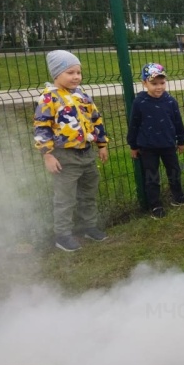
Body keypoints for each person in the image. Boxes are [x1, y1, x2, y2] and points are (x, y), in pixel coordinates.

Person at [33, 50, 109, 252]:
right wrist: (47, 154)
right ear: (56, 74)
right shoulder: (49, 98)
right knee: (65, 197)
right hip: (64, 156)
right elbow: (42, 127)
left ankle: (88, 226)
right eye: (70, 72)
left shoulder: (83, 96)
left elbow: (96, 120)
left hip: (86, 153)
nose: (76, 76)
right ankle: (63, 235)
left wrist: (102, 144)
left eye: (78, 72)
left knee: (88, 191)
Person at [128, 63, 184, 220]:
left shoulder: (170, 100)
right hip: (148, 147)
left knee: (174, 171)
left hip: (168, 144)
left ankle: (178, 197)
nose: (158, 87)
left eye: (162, 83)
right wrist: (133, 145)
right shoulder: (140, 102)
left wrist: (181, 140)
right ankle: (155, 204)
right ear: (144, 83)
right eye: (153, 84)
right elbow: (134, 124)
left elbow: (177, 122)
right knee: (152, 176)